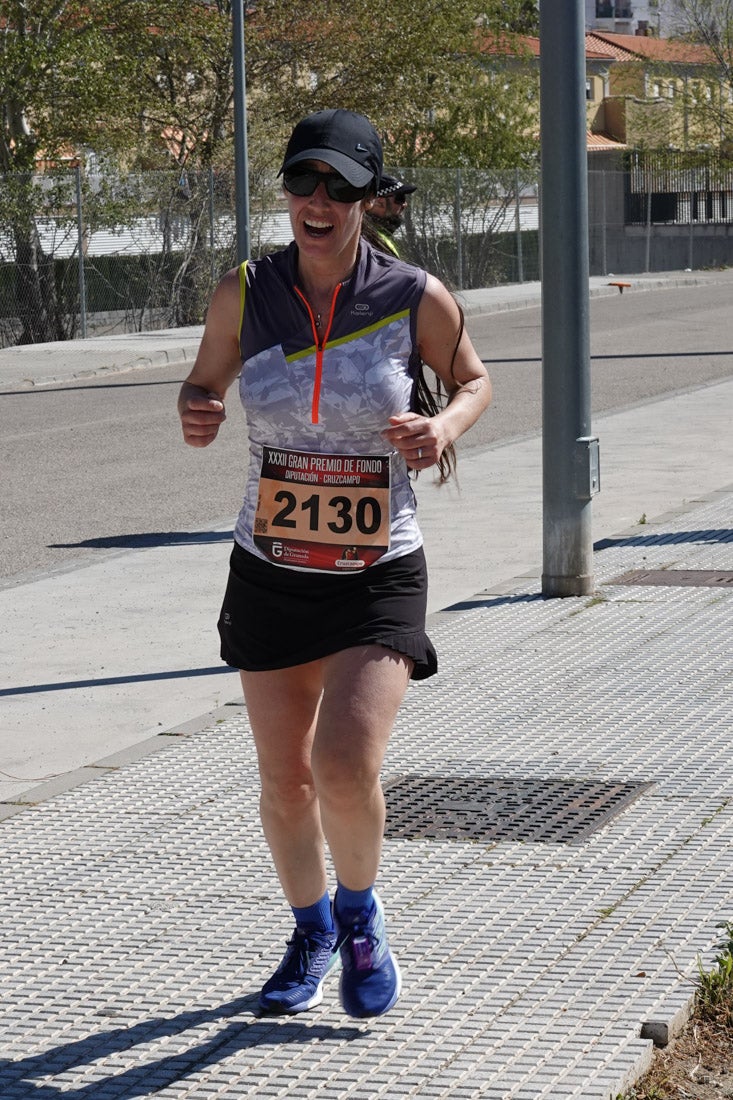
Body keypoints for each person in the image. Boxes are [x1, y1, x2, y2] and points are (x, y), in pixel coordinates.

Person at [178, 108, 491, 1020]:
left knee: (343, 761)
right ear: (286, 191)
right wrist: (195, 406)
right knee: (285, 779)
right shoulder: (244, 290)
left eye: (339, 187)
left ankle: (359, 918)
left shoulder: (412, 296)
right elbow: (205, 381)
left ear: (369, 200)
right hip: (269, 568)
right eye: (302, 182)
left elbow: (476, 381)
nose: (317, 201)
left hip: (374, 569)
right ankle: (310, 929)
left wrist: (441, 427)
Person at [364, 172, 417, 257]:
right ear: (379, 202)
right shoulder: (369, 240)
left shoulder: (375, 235)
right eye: (400, 198)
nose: (405, 204)